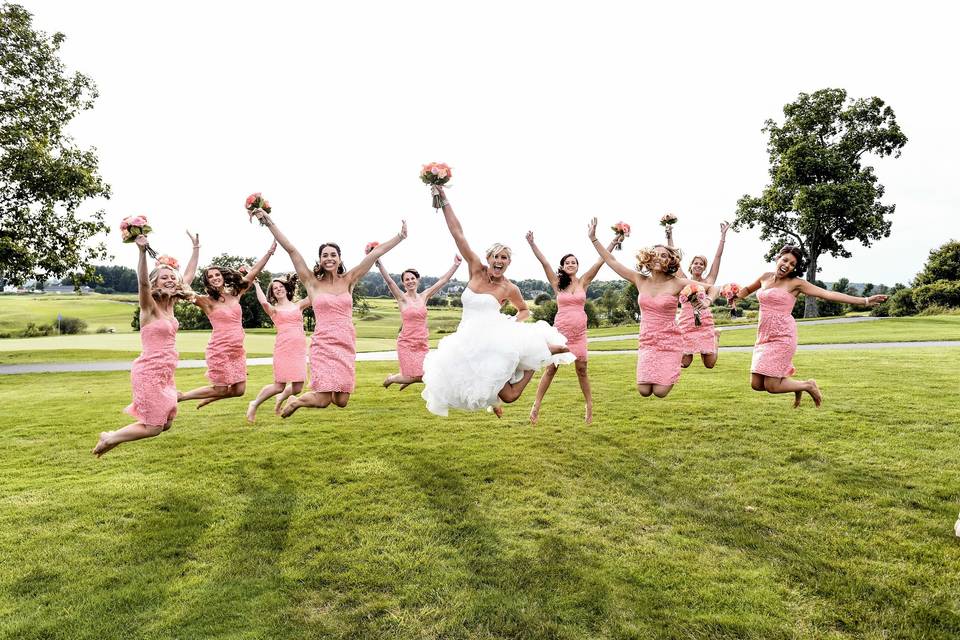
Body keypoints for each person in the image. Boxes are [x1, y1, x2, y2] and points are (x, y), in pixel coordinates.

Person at [421, 186, 575, 417]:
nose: (500, 261)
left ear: (508, 262)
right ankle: (535, 357)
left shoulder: (509, 287)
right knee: (498, 394)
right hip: (468, 339)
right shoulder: (475, 269)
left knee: (511, 396)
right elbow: (457, 233)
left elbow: (524, 310)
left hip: (493, 340)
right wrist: (444, 199)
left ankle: (537, 356)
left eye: (504, 258)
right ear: (488, 258)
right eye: (496, 257)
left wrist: (513, 322)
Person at [252, 208, 406, 415]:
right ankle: (296, 402)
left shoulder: (349, 280)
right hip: (323, 344)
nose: (329, 258)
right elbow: (291, 249)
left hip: (345, 343)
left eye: (333, 255)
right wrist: (268, 221)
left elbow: (375, 253)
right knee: (323, 400)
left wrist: (400, 236)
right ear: (320, 260)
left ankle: (300, 399)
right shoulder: (312, 283)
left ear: (340, 259)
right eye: (325, 255)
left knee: (341, 401)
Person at [735, 245, 887, 407]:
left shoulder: (796, 283)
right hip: (764, 336)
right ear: (777, 258)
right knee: (757, 385)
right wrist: (732, 295)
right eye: (785, 260)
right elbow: (746, 291)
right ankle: (798, 386)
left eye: (792, 264)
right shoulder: (765, 277)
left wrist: (864, 301)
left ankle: (808, 385)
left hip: (782, 336)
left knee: (772, 386)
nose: (787, 265)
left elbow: (828, 294)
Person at [587, 217, 720, 398]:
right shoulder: (640, 280)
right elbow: (611, 261)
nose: (659, 257)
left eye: (664, 255)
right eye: (655, 254)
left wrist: (707, 301)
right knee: (643, 391)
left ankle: (676, 363)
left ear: (670, 261)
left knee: (660, 392)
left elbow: (714, 288)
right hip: (648, 341)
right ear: (648, 258)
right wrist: (593, 238)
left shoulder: (677, 282)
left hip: (669, 342)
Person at [92, 234, 194, 456]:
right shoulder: (149, 307)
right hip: (149, 371)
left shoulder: (171, 304)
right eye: (163, 277)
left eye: (172, 277)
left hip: (165, 373)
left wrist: (196, 249)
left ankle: (112, 437)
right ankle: (110, 438)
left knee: (166, 423)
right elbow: (143, 283)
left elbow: (188, 277)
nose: (169, 280)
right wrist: (141, 252)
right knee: (154, 427)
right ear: (156, 282)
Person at [524, 230, 618, 424]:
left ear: (577, 266)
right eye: (567, 263)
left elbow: (601, 261)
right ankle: (536, 405)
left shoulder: (584, 281)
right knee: (551, 369)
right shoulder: (557, 283)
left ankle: (589, 406)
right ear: (563, 266)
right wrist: (533, 244)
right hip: (561, 333)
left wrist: (613, 242)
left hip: (580, 335)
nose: (570, 265)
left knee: (582, 370)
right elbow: (545, 263)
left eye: (573, 262)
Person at [177, 241, 277, 408]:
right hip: (220, 350)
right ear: (207, 282)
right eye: (210, 277)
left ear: (223, 277)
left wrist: (269, 253)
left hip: (237, 350)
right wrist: (196, 250)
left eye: (217, 275)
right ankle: (182, 396)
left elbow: (253, 272)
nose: (215, 278)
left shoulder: (235, 294)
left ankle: (212, 396)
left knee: (239, 390)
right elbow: (184, 285)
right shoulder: (205, 301)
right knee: (222, 388)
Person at [376, 255, 462, 390]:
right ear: (403, 283)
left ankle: (407, 380)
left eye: (412, 278)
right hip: (406, 342)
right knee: (414, 376)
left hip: (422, 342)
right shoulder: (402, 299)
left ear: (417, 280)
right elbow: (389, 281)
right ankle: (391, 378)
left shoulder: (424, 296)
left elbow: (443, 281)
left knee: (425, 375)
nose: (410, 281)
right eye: (406, 280)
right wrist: (378, 262)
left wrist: (455, 265)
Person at [245, 275, 311, 422]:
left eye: (281, 286)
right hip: (283, 349)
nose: (278, 289)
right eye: (275, 288)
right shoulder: (274, 310)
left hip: (299, 350)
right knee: (279, 386)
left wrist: (310, 279)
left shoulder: (298, 305)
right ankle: (254, 404)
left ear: (286, 289)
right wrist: (256, 283)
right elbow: (263, 302)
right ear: (272, 293)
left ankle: (280, 399)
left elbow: (313, 296)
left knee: (298, 387)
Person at [665, 221, 731, 369]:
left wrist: (723, 236)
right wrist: (669, 235)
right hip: (686, 322)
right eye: (696, 263)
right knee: (684, 363)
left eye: (702, 264)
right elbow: (673, 255)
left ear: (704, 268)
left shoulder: (708, 281)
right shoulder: (682, 278)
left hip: (704, 322)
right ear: (691, 265)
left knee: (709, 364)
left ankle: (715, 336)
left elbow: (717, 258)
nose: (698, 265)